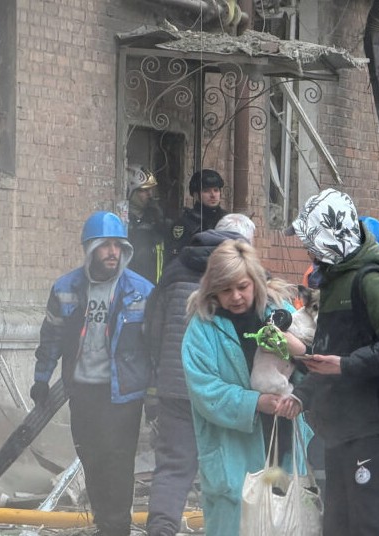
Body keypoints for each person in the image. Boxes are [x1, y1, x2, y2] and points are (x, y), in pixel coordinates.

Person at [287, 188, 379, 536]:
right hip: (341, 426)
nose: (308, 251)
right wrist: (302, 395)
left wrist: (346, 365)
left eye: (311, 241)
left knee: (365, 523)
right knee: (337, 524)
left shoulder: (370, 280)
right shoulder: (334, 282)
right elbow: (331, 354)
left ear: (331, 236)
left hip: (371, 424)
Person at [31, 211, 154, 536]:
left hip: (123, 394)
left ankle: (117, 528)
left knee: (118, 462)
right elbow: (51, 337)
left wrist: (154, 395)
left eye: (118, 245)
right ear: (90, 249)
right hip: (83, 391)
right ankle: (104, 523)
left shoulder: (141, 291)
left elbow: (155, 348)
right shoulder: (66, 288)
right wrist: (41, 378)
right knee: (91, 458)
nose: (112, 252)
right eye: (105, 245)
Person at [180, 239, 312, 535]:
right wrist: (254, 402)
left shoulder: (280, 312)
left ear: (255, 280)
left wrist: (299, 358)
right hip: (231, 451)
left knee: (285, 523)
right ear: (213, 290)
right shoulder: (202, 328)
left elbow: (311, 364)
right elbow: (205, 391)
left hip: (283, 439)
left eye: (242, 286)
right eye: (225, 290)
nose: (236, 296)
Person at [143, 226, 248, 536]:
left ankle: (161, 528)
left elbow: (152, 329)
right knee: (229, 465)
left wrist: (160, 373)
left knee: (173, 466)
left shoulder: (173, 272)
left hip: (176, 386)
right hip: (223, 390)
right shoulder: (237, 277)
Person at [120, 165, 168, 284]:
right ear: (130, 191)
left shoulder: (154, 218)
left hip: (153, 282)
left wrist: (160, 221)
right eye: (143, 190)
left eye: (150, 189)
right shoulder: (121, 219)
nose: (149, 194)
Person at [167, 169, 228, 261]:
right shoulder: (185, 223)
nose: (213, 195)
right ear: (196, 195)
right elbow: (176, 260)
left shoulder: (227, 219)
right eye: (206, 191)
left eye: (216, 190)